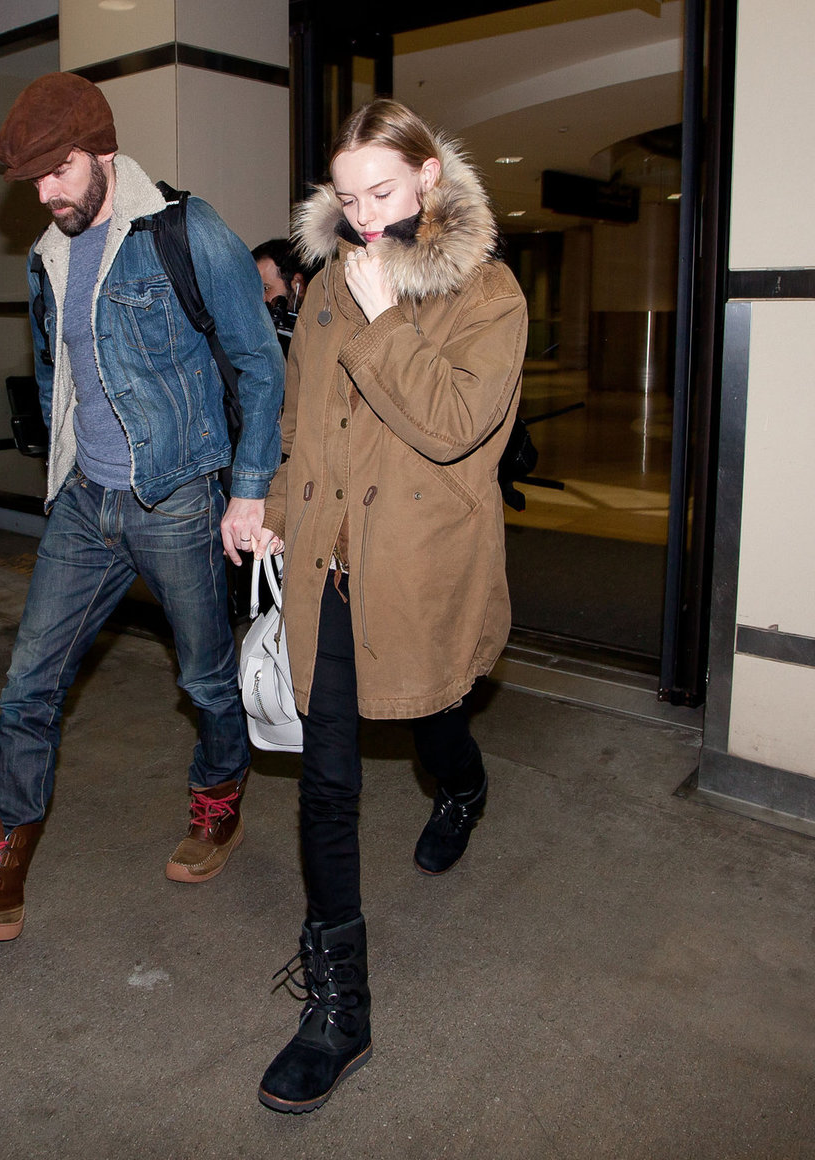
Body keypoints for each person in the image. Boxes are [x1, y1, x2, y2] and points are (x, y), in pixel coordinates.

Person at [0, 73, 283, 943]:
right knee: (28, 685)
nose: (45, 194)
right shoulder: (52, 251)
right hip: (83, 504)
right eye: (32, 181)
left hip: (177, 497)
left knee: (205, 678)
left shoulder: (188, 232)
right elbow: (59, 373)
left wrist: (247, 491)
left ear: (101, 151)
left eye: (58, 171)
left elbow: (260, 364)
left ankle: (218, 807)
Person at [248, 100, 527, 1113]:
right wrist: (275, 506)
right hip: (328, 566)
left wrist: (379, 316)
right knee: (325, 784)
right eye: (345, 196)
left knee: (432, 712)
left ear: (428, 183)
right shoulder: (328, 284)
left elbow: (453, 425)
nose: (362, 218)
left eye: (381, 192)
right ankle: (338, 1004)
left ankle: (460, 786)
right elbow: (301, 418)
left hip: (417, 569)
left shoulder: (486, 293)